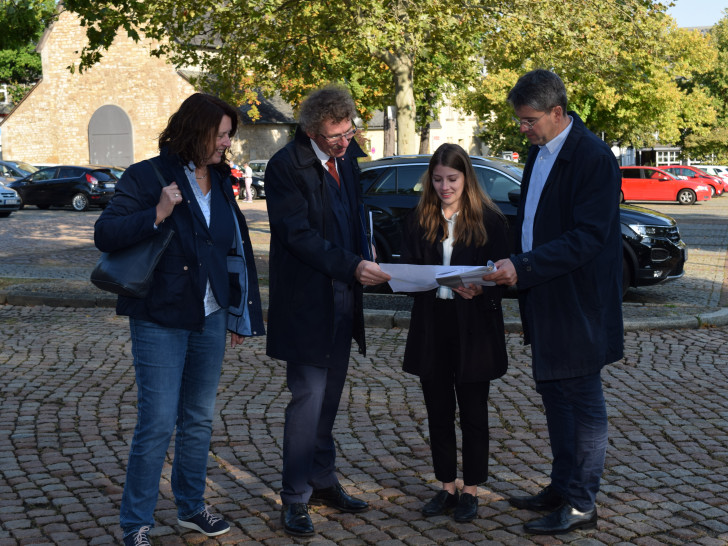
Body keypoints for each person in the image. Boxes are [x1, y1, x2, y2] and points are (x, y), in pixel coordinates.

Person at [94, 93, 265, 546]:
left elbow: (229, 250)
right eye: (221, 134)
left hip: (209, 316)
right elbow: (105, 233)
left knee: (199, 419)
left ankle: (191, 507)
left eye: (230, 135)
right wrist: (157, 213)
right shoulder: (147, 175)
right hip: (160, 317)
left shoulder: (223, 179)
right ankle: (136, 524)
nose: (227, 143)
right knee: (157, 421)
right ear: (196, 130)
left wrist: (236, 311)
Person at [483, 69, 624, 535]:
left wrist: (523, 267)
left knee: (582, 403)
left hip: (578, 304)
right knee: (555, 397)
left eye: (529, 120)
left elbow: (588, 237)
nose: (522, 129)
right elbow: (535, 221)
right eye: (520, 121)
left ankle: (582, 503)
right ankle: (563, 485)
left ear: (558, 112)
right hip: (543, 297)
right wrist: (511, 263)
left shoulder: (593, 157)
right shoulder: (539, 150)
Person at [264, 84, 391, 537]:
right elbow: (297, 236)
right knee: (308, 400)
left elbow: (355, 212)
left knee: (330, 399)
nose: (345, 141)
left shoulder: (347, 156)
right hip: (306, 301)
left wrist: (365, 246)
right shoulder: (285, 167)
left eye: (349, 131)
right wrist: (354, 265)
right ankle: (294, 497)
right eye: (335, 136)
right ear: (312, 132)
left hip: (344, 295)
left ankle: (322, 480)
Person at [401, 143, 509, 523]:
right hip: (433, 323)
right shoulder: (420, 219)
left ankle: (472, 489)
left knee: (474, 413)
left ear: (466, 178)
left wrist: (485, 287)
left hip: (474, 327)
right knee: (438, 412)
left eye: (452, 179)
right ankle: (446, 486)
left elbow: (504, 277)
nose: (445, 186)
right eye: (438, 179)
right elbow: (410, 271)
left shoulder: (490, 220)